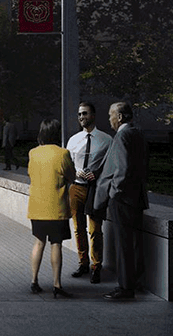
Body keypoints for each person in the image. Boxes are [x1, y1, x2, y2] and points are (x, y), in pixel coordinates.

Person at [93, 101, 149, 300]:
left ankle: (125, 288)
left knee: (123, 245)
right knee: (132, 244)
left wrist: (114, 192)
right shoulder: (138, 133)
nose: (109, 119)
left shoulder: (123, 135)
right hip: (136, 197)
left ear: (121, 117)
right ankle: (131, 283)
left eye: (111, 115)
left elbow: (123, 168)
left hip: (123, 199)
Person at [27, 119, 76, 298]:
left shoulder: (33, 153)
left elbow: (30, 174)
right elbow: (72, 176)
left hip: (37, 206)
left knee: (39, 242)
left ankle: (34, 281)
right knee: (56, 244)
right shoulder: (63, 154)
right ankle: (56, 285)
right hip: (56, 207)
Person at [66, 102, 112, 284]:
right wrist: (75, 171)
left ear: (93, 115)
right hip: (76, 187)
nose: (81, 117)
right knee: (78, 229)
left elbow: (111, 165)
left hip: (94, 189)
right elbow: (67, 162)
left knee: (95, 230)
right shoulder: (73, 140)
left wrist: (98, 174)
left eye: (84, 114)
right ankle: (83, 263)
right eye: (79, 114)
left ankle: (96, 266)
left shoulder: (106, 140)